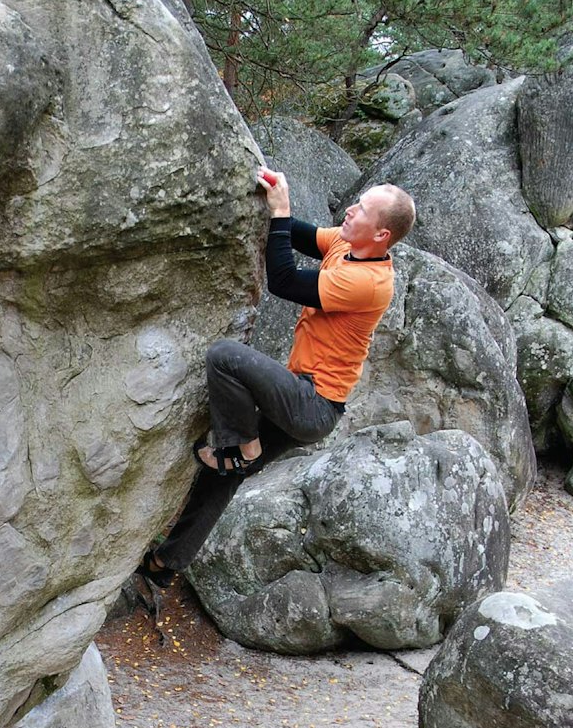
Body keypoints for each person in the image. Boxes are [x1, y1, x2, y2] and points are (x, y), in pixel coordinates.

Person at [140, 168, 415, 586]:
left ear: (381, 235)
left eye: (362, 210)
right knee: (223, 474)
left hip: (313, 406)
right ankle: (165, 565)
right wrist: (270, 192)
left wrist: (282, 209)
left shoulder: (369, 283)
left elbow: (284, 281)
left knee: (225, 356)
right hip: (301, 395)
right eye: (357, 201)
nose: (351, 209)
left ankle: (242, 446)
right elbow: (294, 235)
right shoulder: (347, 242)